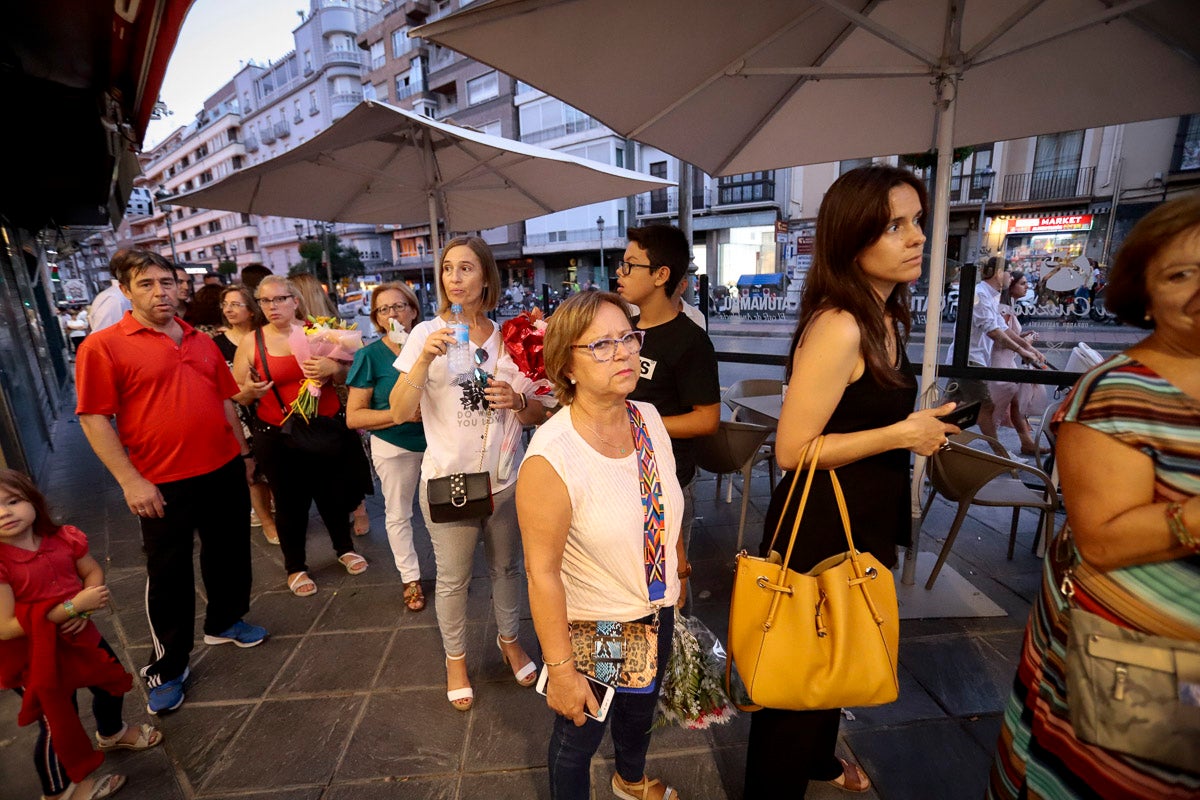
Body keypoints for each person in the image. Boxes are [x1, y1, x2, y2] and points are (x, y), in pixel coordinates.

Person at [745, 166, 960, 797]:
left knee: (841, 646)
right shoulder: (840, 324)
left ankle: (817, 761)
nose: (916, 236)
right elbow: (792, 448)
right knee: (798, 664)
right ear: (852, 240)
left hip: (862, 513)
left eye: (917, 220)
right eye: (895, 225)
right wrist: (900, 435)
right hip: (819, 520)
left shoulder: (884, 316)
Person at [986, 195, 1200, 800]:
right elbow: (1102, 538)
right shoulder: (1118, 395)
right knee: (1114, 784)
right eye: (1179, 274)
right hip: (1144, 660)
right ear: (1146, 293)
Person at [74, 249, 266, 717]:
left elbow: (224, 400)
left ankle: (224, 620)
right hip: (161, 481)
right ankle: (167, 666)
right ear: (125, 290)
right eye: (146, 284)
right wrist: (130, 482)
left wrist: (242, 453)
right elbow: (95, 419)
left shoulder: (200, 339)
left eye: (166, 282)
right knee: (169, 576)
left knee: (230, 553)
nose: (161, 292)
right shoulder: (102, 346)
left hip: (221, 467)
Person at [517, 290, 687, 800]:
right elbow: (541, 573)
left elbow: (664, 499)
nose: (624, 353)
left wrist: (676, 560)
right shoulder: (552, 458)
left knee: (641, 712)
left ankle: (630, 780)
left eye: (628, 338)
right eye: (602, 345)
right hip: (601, 622)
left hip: (655, 606)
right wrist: (563, 669)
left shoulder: (648, 418)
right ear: (566, 365)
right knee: (579, 737)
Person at [389, 235, 545, 711]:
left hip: (504, 478)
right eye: (448, 269)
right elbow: (398, 411)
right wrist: (423, 358)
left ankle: (509, 639)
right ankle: (455, 660)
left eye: (466, 268)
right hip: (449, 482)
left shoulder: (510, 336)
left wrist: (518, 401)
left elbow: (539, 412)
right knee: (454, 579)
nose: (454, 278)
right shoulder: (425, 334)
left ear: (486, 277)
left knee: (506, 567)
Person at [0, 469, 164, 800]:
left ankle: (111, 732)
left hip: (80, 638)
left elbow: (91, 571)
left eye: (12, 501)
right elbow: (4, 626)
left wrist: (85, 607)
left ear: (33, 500)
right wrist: (71, 609)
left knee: (111, 682)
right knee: (57, 720)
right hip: (34, 657)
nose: (4, 512)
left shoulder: (62, 538)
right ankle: (59, 790)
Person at [232, 275, 369, 598]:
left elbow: (354, 374)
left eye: (279, 299)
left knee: (333, 494)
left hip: (326, 428)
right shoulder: (252, 342)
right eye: (265, 301)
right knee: (290, 502)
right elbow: (237, 394)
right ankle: (295, 566)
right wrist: (249, 392)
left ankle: (344, 548)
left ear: (295, 301)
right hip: (279, 434)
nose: (272, 307)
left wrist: (333, 370)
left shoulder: (321, 330)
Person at [616, 224, 719, 596]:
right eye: (621, 264)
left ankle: (677, 652)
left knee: (669, 585)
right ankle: (621, 653)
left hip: (667, 481)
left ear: (661, 275)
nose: (620, 273)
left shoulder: (690, 341)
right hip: (621, 475)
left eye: (631, 265)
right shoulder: (624, 331)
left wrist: (638, 425)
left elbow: (707, 419)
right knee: (623, 582)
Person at [346, 282, 428, 612]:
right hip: (394, 448)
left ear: (413, 311)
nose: (392, 313)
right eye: (384, 309)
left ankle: (452, 575)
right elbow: (354, 417)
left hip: (438, 444)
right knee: (398, 514)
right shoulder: (369, 356)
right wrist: (398, 414)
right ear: (377, 319)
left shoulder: (431, 348)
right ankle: (410, 579)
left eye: (399, 306)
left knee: (445, 513)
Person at [289, 271, 372, 534]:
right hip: (309, 405)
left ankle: (358, 510)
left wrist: (332, 368)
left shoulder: (333, 328)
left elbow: (353, 371)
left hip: (337, 404)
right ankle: (345, 509)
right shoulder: (291, 331)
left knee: (347, 459)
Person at [947, 256, 1046, 442]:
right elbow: (993, 331)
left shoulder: (992, 295)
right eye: (1009, 272)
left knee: (948, 406)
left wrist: (1027, 348)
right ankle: (1000, 455)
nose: (1011, 277)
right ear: (1000, 273)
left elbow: (1003, 328)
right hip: (969, 358)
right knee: (986, 408)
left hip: (973, 358)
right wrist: (1022, 351)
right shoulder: (980, 294)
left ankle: (934, 437)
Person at [214, 285, 279, 546]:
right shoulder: (217, 344)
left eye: (235, 304)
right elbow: (218, 388)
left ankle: (281, 512)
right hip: (238, 416)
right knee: (252, 470)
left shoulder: (265, 336)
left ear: (252, 310)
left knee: (275, 469)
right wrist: (244, 392)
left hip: (270, 410)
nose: (228, 309)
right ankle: (266, 521)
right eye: (225, 305)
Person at [986, 269, 1049, 455]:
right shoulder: (1003, 308)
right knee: (994, 408)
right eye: (1022, 283)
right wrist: (1027, 346)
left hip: (1008, 361)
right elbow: (1001, 338)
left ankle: (1025, 442)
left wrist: (1024, 340)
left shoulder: (1008, 307)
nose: (1026, 286)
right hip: (1000, 362)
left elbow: (1010, 334)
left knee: (1014, 402)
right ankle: (1002, 447)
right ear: (1011, 287)